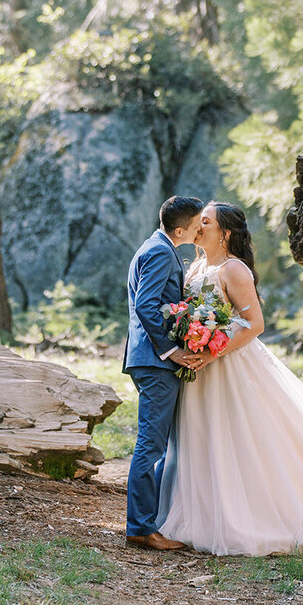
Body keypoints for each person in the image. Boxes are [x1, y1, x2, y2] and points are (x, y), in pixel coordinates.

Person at [156, 201, 303, 556]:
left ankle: (254, 516)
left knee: (241, 438)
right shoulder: (198, 265)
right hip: (199, 370)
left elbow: (255, 324)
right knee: (204, 437)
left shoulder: (234, 270)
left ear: (226, 233)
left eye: (206, 222)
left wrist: (212, 350)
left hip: (227, 366)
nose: (197, 226)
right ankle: (203, 511)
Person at [123, 195, 205, 551]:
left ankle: (151, 520)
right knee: (151, 445)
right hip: (156, 362)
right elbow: (145, 304)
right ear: (180, 229)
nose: (203, 227)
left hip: (152, 360)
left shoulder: (156, 246)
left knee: (157, 444)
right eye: (199, 223)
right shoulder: (160, 252)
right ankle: (140, 527)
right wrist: (172, 350)